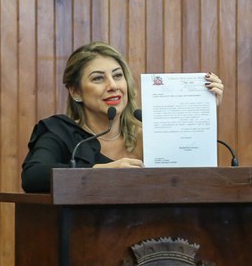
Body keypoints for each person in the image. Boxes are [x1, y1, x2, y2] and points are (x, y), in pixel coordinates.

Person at [20, 41, 224, 193]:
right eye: (98, 78)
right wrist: (101, 172)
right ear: (76, 92)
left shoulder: (150, 135)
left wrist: (202, 108)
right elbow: (33, 177)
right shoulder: (61, 133)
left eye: (118, 76)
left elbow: (195, 180)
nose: (113, 86)